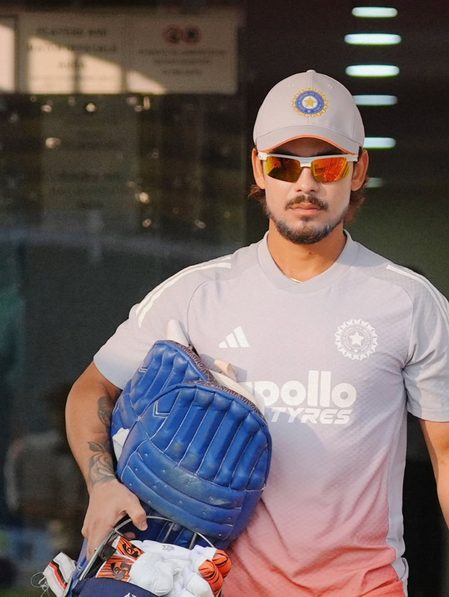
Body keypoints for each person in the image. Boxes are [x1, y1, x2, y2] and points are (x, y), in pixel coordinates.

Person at [66, 70, 449, 597]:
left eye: (328, 165)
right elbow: (92, 389)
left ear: (358, 171)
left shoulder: (410, 302)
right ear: (259, 169)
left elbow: (445, 457)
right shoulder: (197, 294)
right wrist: (102, 484)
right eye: (284, 164)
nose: (305, 184)